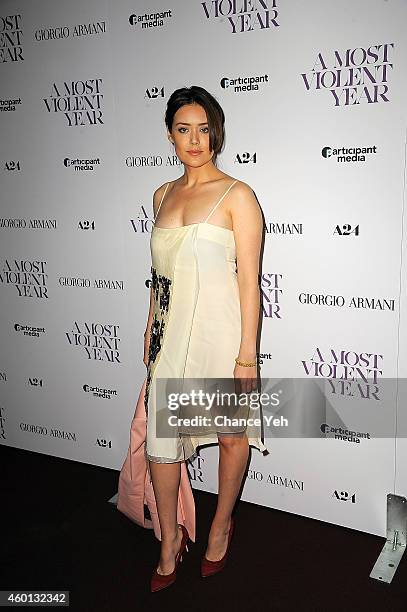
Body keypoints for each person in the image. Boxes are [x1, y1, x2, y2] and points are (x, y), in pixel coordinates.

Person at [143, 85, 268, 592]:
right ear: (170, 135)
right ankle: (169, 538)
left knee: (233, 437)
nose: (194, 140)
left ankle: (220, 525)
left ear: (216, 131)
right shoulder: (161, 194)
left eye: (203, 128)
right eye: (182, 129)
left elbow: (249, 285)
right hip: (171, 336)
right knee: (162, 445)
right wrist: (149, 325)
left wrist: (246, 357)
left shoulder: (239, 195)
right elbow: (160, 276)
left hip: (222, 335)